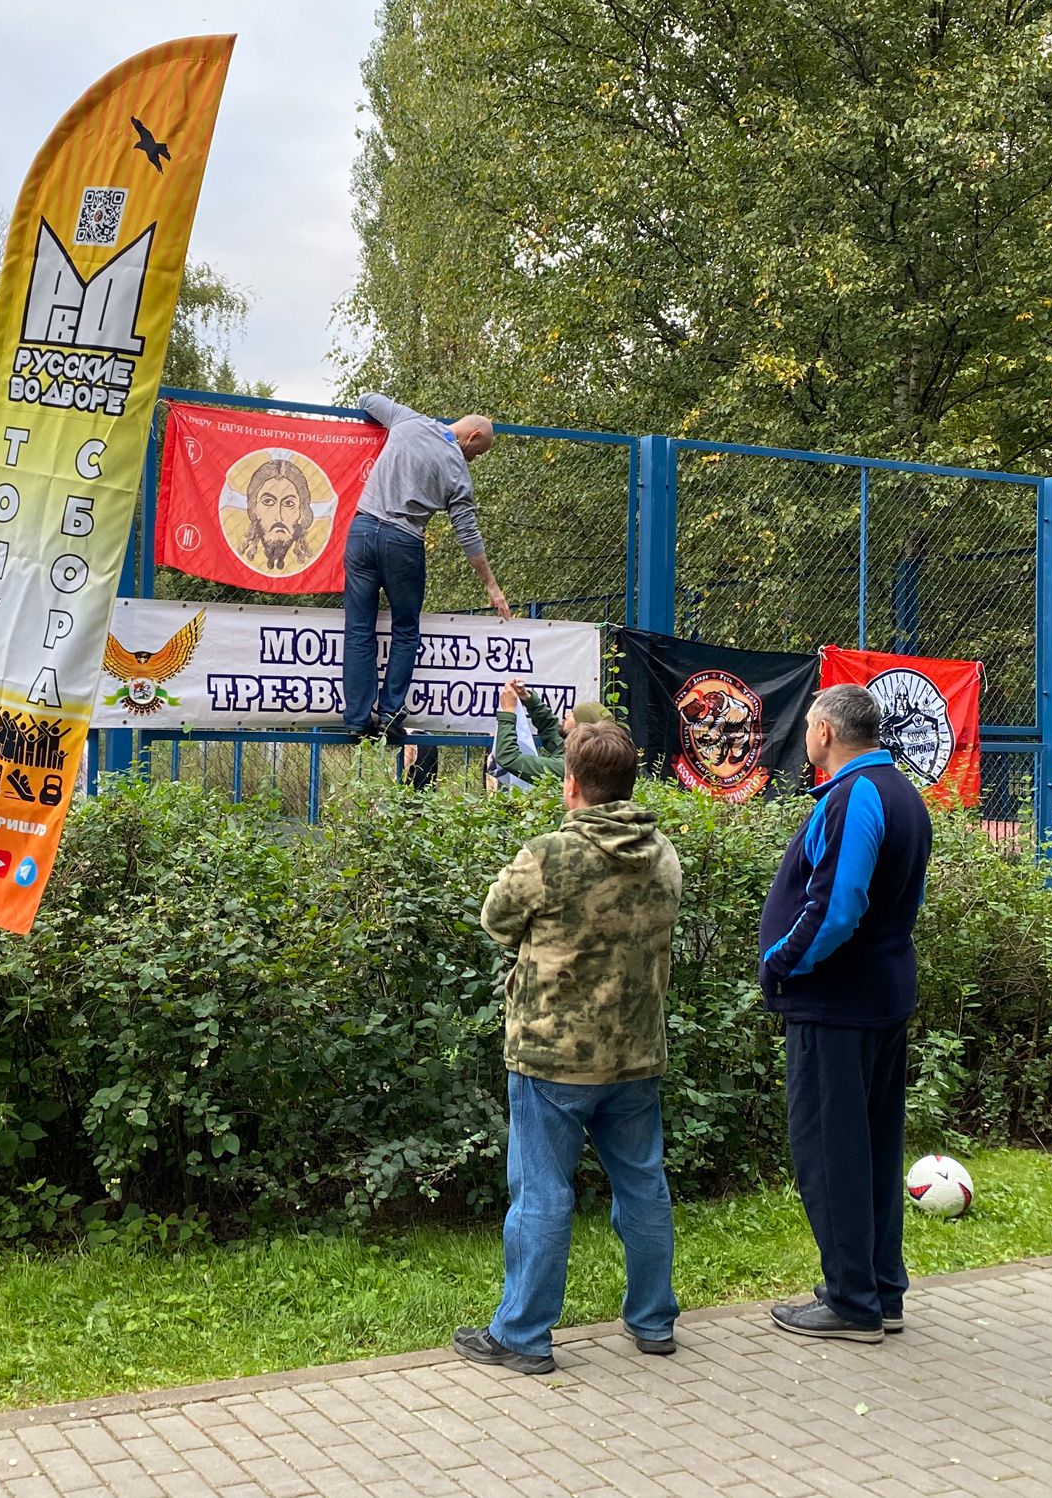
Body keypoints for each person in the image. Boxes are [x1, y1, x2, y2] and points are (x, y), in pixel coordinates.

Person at [455, 721, 685, 1373]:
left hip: (552, 1055)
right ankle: (653, 1320)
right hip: (636, 1053)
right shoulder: (662, 855)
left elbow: (497, 919)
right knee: (643, 1186)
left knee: (542, 1194)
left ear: (573, 785)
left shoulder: (549, 855)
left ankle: (523, 1336)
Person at [758, 683, 934, 1343]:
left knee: (830, 1152)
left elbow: (839, 907)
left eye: (808, 726)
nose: (806, 736)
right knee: (873, 1151)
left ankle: (851, 1300)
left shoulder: (857, 794)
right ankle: (880, 1290)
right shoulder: (902, 791)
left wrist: (779, 961)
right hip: (880, 996)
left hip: (837, 1005)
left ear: (826, 732)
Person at [341, 394, 508, 744]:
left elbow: (367, 399)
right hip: (402, 544)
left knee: (359, 629)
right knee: (405, 631)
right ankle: (389, 718)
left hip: (361, 531)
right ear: (472, 436)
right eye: (476, 453)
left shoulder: (408, 420)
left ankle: (357, 721)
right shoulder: (457, 471)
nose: (472, 459)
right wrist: (491, 586)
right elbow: (468, 536)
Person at [492, 678, 611, 785]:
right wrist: (527, 698)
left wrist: (508, 712)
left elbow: (510, 759)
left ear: (582, 728)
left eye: (574, 715)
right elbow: (549, 726)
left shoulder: (569, 766)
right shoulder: (580, 748)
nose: (566, 715)